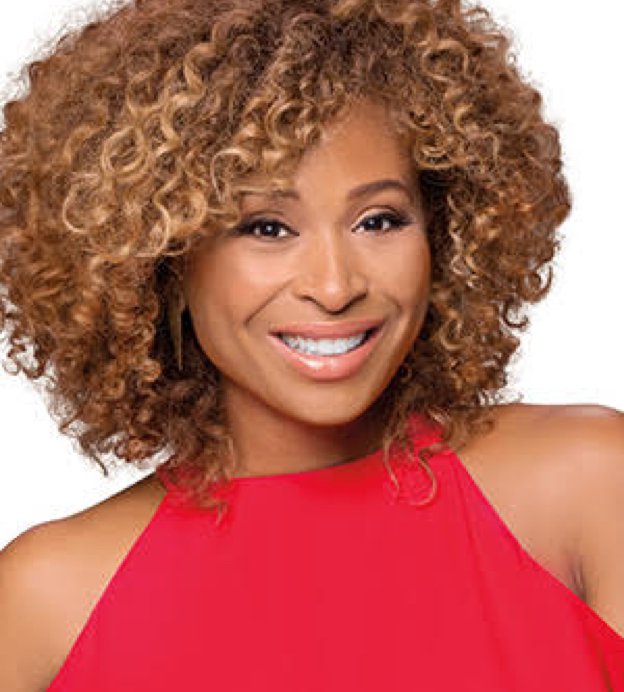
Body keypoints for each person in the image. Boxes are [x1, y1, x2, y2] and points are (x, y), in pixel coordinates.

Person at [0, 0, 622, 689]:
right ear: (162, 263)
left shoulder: (586, 484)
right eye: (266, 228)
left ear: (443, 233)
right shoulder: (50, 599)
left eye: (378, 219)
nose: (333, 286)